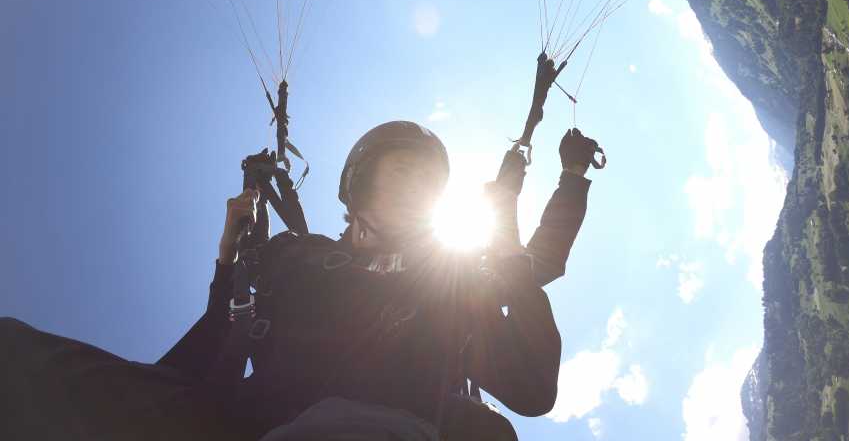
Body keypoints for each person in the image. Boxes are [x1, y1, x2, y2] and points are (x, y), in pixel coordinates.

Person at [1, 122, 601, 440]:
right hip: (243, 423)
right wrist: (228, 259)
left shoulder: (450, 277)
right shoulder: (295, 256)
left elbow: (529, 384)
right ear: (359, 193)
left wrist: (568, 181)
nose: (418, 191)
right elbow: (211, 350)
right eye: (403, 176)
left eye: (428, 184)